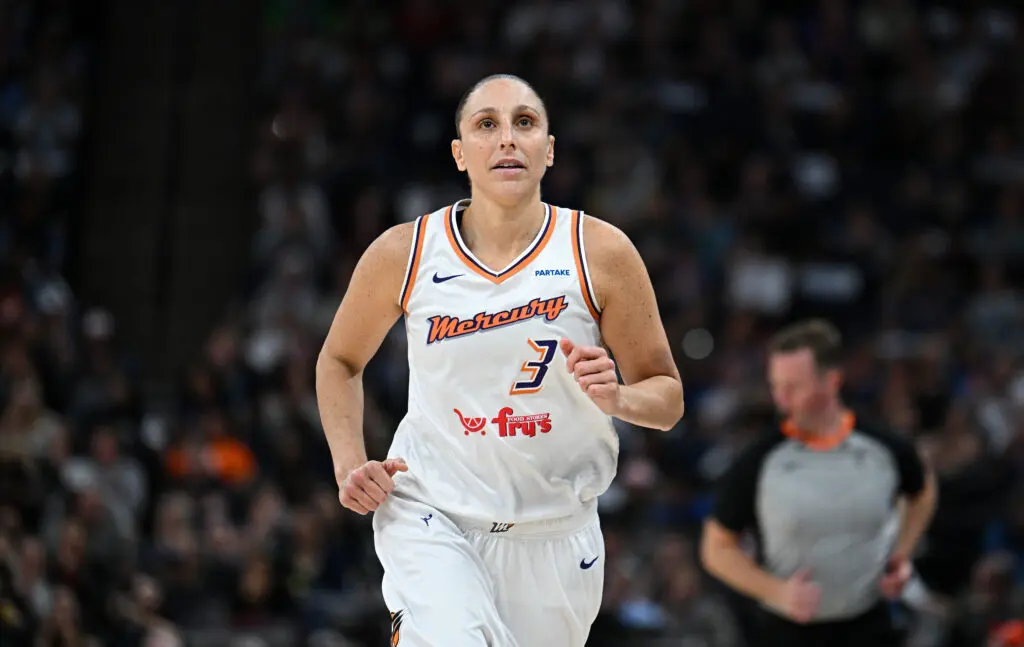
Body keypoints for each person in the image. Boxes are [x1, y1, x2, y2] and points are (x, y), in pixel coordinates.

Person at [315, 74, 684, 647]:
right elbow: (339, 359)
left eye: (524, 123)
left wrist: (621, 398)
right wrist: (348, 463)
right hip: (431, 514)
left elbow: (667, 398)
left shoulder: (600, 251)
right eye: (487, 124)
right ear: (460, 153)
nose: (507, 138)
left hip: (556, 535)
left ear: (549, 149)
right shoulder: (405, 252)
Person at [700, 318, 938, 647]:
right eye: (776, 385)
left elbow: (922, 490)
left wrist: (902, 552)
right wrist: (777, 591)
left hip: (869, 625)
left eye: (794, 387)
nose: (782, 400)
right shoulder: (760, 459)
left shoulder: (883, 447)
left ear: (832, 381)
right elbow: (716, 548)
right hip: (787, 632)